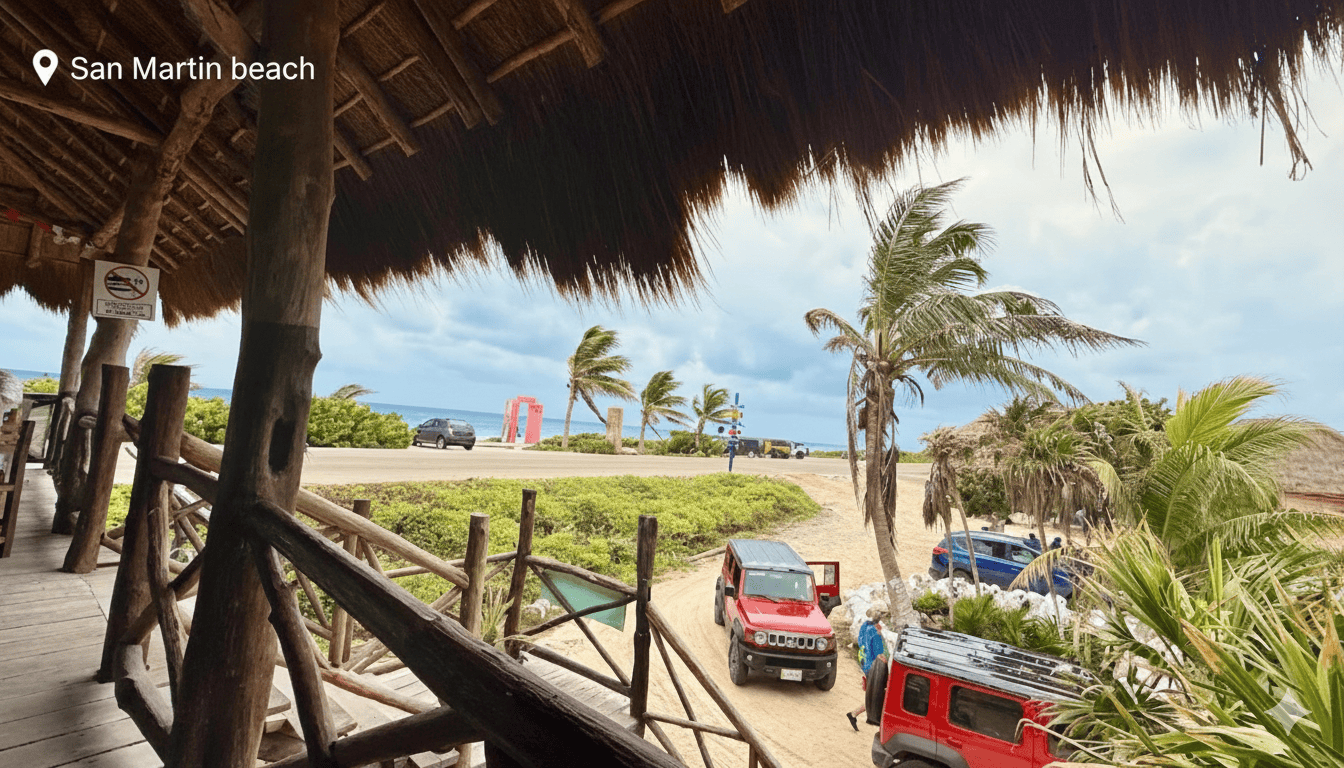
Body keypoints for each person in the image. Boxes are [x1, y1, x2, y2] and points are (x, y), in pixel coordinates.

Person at [846, 607, 888, 730]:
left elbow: (861, 642)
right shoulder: (876, 632)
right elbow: (880, 654)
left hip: (864, 662)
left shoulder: (865, 626)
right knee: (876, 694)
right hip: (874, 667)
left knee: (873, 693)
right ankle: (854, 714)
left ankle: (854, 714)